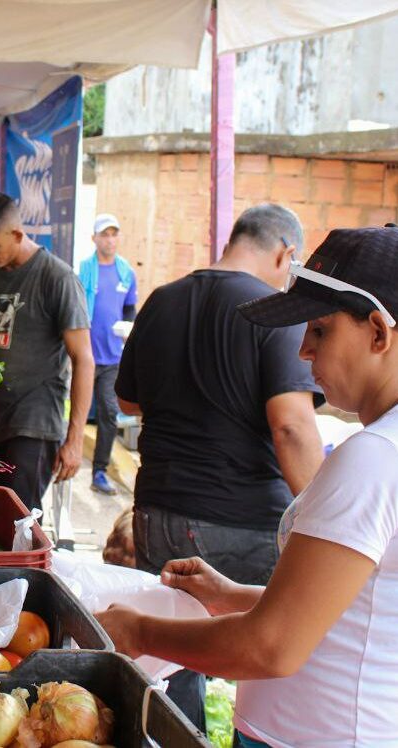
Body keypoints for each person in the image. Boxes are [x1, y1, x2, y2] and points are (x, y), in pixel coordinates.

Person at [99, 226, 398, 747]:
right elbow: (352, 610)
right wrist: (231, 596)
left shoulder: (373, 457)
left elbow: (271, 646)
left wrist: (138, 631)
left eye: (320, 330)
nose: (304, 350)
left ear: (378, 332)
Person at [113, 203, 324, 728]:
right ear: (286, 254)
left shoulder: (162, 300)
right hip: (241, 517)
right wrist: (323, 520)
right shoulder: (272, 311)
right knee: (280, 653)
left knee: (172, 662)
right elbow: (291, 426)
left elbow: (127, 401)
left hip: (157, 512)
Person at [0, 193, 94, 512]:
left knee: (20, 518)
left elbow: (83, 360)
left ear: (18, 235)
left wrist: (75, 440)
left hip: (35, 423)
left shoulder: (57, 278)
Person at [77, 213, 137, 496]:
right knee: (76, 413)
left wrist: (127, 331)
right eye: (105, 235)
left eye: (114, 234)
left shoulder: (126, 272)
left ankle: (99, 472)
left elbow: (129, 309)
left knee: (109, 414)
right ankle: (63, 460)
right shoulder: (84, 271)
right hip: (85, 356)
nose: (110, 240)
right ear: (94, 239)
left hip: (112, 358)